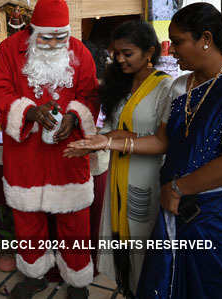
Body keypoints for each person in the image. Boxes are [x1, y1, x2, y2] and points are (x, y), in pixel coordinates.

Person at [68, 2, 222, 299]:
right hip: (178, 208)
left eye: (179, 41)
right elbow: (162, 141)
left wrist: (179, 188)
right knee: (173, 283)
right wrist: (106, 142)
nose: (171, 51)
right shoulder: (183, 86)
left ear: (205, 39)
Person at [0, 0, 101, 299]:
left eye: (59, 37)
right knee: (27, 219)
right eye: (46, 37)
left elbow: (89, 95)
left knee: (75, 219)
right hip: (26, 154)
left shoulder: (81, 52)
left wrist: (75, 117)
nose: (53, 43)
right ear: (32, 30)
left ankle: (77, 280)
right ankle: (34, 274)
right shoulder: (8, 51)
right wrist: (28, 111)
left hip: (67, 151)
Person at [67, 21, 172, 296]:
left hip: (145, 178)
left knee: (143, 245)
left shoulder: (165, 87)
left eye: (128, 53)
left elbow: (163, 143)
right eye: (116, 53)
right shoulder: (122, 84)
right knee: (121, 243)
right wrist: (94, 143)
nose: (120, 59)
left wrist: (109, 141)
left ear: (149, 51)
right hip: (118, 177)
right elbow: (117, 127)